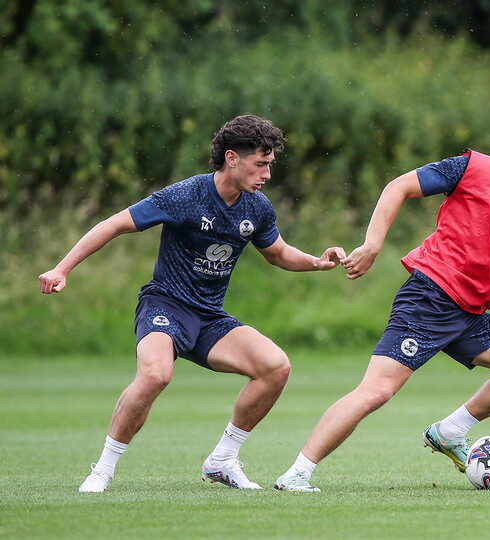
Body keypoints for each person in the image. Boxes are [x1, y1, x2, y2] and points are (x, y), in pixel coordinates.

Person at [38, 115, 345, 493]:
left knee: (275, 367)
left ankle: (222, 461)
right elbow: (115, 223)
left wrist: (317, 261)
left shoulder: (257, 208)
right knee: (155, 376)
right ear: (232, 158)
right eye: (260, 163)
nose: (266, 173)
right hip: (165, 305)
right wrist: (62, 268)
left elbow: (278, 253)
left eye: (269, 164)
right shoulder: (186, 196)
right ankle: (102, 469)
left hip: (209, 317)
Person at [273, 107, 490, 491]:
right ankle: (297, 473)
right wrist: (372, 244)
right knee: (376, 392)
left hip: (471, 313)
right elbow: (399, 186)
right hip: (429, 299)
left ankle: (450, 431)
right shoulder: (470, 168)